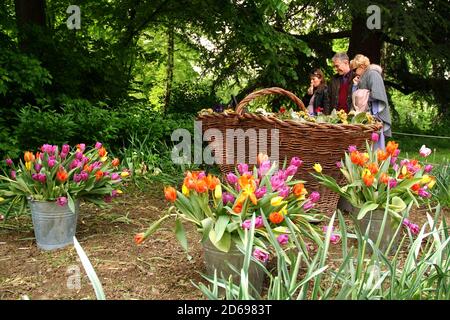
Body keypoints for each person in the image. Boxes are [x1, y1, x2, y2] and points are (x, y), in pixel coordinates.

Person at [350, 54, 392, 149]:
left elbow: (377, 94)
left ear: (361, 66)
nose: (354, 73)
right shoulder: (363, 76)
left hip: (374, 114)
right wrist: (356, 85)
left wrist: (363, 94)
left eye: (354, 70)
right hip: (366, 114)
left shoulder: (373, 74)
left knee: (375, 144)